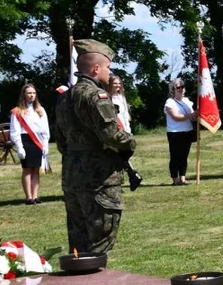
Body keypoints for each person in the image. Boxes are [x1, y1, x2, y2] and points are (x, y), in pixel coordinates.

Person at [55, 40, 136, 253]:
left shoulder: (65, 98)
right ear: (96, 68)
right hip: (98, 179)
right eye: (108, 68)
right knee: (100, 242)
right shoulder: (96, 97)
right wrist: (130, 141)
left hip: (72, 177)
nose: (110, 73)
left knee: (78, 242)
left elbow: (61, 140)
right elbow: (111, 135)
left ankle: (79, 283)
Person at [11, 83, 50, 205]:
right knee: (27, 170)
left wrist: (46, 144)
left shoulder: (40, 110)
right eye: (29, 93)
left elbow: (45, 129)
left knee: (36, 169)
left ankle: (35, 195)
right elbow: (14, 131)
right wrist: (19, 147)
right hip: (25, 141)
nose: (31, 95)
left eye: (33, 93)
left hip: (38, 141)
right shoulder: (17, 111)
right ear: (24, 94)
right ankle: (28, 197)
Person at [164, 78, 196, 185]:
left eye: (182, 87)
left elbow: (192, 118)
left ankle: (183, 177)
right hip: (175, 132)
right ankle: (175, 179)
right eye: (178, 87)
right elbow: (176, 117)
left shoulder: (187, 101)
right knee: (175, 156)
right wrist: (191, 115)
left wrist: (198, 114)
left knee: (184, 156)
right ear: (173, 89)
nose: (181, 89)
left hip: (187, 131)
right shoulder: (170, 102)